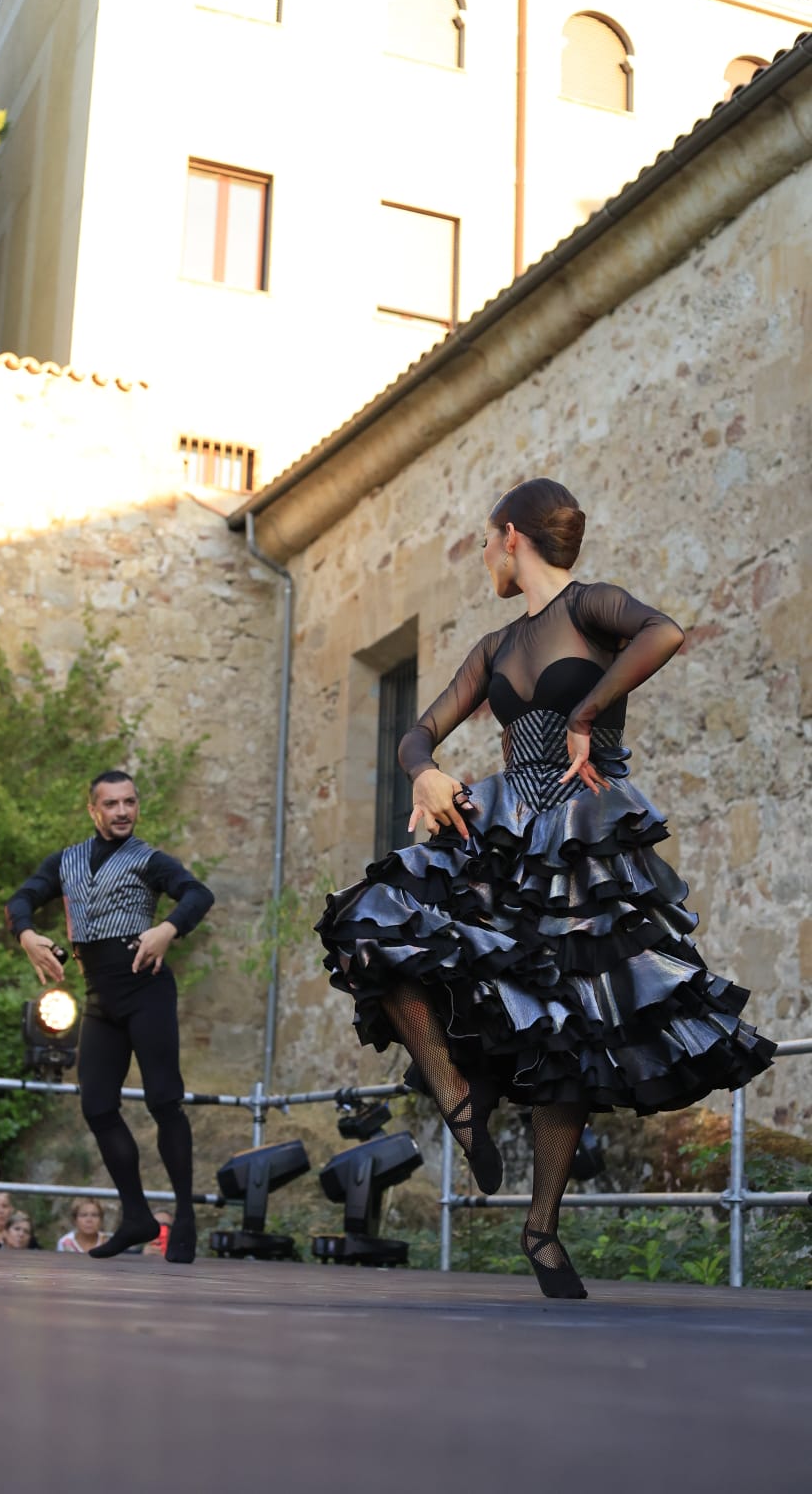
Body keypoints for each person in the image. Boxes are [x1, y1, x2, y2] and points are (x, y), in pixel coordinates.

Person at [316, 478, 775, 1300]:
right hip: (504, 827)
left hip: (584, 829)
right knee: (371, 924)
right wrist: (425, 773)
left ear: (511, 536)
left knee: (569, 1025)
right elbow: (418, 732)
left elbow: (664, 632)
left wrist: (587, 713)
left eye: (485, 544)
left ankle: (542, 1228)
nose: (484, 559)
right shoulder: (494, 646)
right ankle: (456, 1094)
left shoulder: (591, 605)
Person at [5, 769, 214, 1264]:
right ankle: (136, 1214)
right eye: (112, 804)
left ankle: (185, 1217)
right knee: (97, 1106)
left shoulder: (149, 860)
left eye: (130, 802)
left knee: (164, 1100)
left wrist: (167, 929)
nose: (122, 811)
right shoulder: (67, 861)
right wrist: (27, 934)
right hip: (100, 999)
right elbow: (20, 900)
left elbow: (198, 894)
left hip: (146, 990)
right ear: (93, 810)